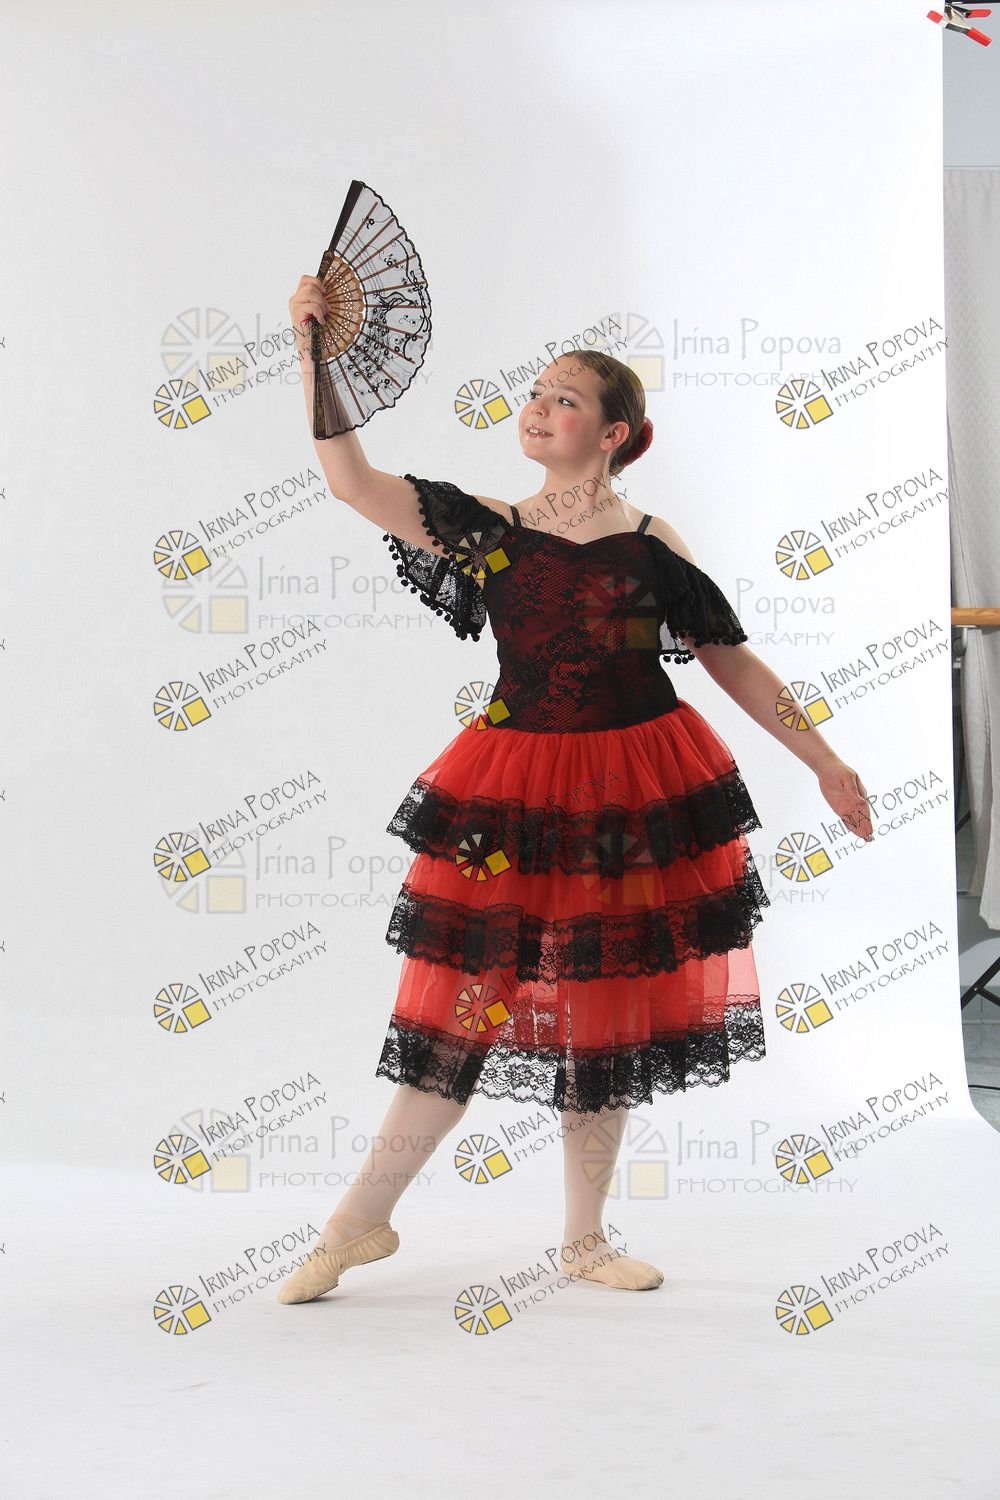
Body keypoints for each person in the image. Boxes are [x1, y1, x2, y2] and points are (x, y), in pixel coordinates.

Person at [276, 274, 875, 1303]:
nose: (538, 406)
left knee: (606, 1013)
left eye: (564, 397)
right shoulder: (489, 527)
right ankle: (357, 1223)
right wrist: (313, 356)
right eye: (535, 392)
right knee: (462, 1007)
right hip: (514, 791)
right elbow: (350, 480)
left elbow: (730, 660)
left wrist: (824, 759)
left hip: (638, 789)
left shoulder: (654, 546)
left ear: (613, 434)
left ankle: (584, 1241)